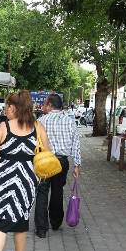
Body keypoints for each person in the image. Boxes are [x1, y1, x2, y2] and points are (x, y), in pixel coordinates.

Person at [0, 90, 50, 251]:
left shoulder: (4, 127)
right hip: (26, 180)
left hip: (3, 178)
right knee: (21, 220)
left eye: (8, 106)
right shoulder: (38, 127)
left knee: (0, 222)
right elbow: (47, 152)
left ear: (14, 107)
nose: (6, 109)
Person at [34, 93, 81, 238]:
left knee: (42, 192)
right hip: (61, 161)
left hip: (44, 160)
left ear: (50, 105)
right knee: (57, 191)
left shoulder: (41, 120)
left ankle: (41, 228)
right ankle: (55, 222)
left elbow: (34, 142)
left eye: (45, 104)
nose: (43, 106)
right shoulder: (70, 121)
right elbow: (76, 143)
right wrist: (77, 165)